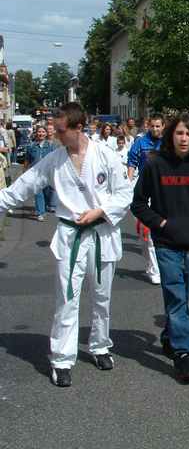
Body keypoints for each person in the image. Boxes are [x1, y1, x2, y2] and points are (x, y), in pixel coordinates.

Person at [0, 102, 133, 387]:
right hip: (70, 236)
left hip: (102, 233)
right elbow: (22, 187)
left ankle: (100, 346)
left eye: (61, 131)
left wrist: (100, 211)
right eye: (55, 130)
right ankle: (61, 359)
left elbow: (125, 194)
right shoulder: (54, 160)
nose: (56, 135)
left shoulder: (105, 155)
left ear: (78, 127)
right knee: (67, 300)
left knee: (102, 297)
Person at [131, 113, 189, 381]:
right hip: (165, 244)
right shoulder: (155, 164)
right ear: (171, 135)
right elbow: (138, 204)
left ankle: (170, 336)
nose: (184, 138)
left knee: (181, 298)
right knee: (176, 297)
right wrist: (160, 223)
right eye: (179, 133)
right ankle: (185, 354)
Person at [128, 113, 165, 285]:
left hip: (163, 191)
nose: (155, 129)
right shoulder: (141, 142)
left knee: (154, 233)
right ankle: (151, 265)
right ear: (148, 126)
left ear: (163, 126)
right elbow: (132, 162)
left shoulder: (168, 142)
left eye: (158, 126)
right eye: (153, 126)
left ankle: (155, 269)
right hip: (144, 191)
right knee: (145, 235)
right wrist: (128, 184)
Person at [24, 125, 56, 221]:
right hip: (35, 173)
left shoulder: (50, 146)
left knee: (47, 192)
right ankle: (40, 213)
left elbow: (54, 160)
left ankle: (45, 207)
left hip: (47, 173)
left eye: (43, 132)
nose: (41, 134)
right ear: (36, 133)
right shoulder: (31, 146)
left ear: (46, 134)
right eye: (39, 132)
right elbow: (27, 160)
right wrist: (24, 171)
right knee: (38, 193)